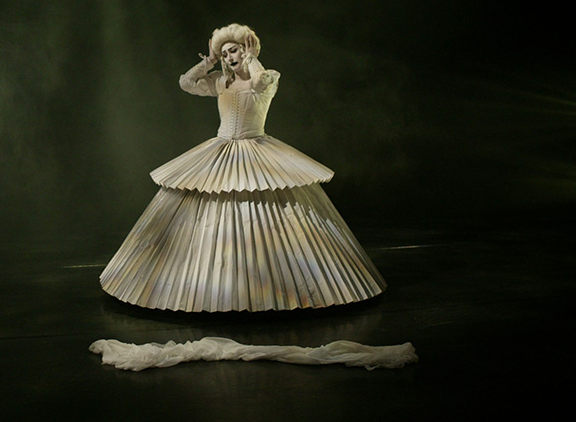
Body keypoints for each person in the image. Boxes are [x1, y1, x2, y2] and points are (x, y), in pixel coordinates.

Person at [100, 23, 386, 312]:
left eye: (233, 50)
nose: (229, 57)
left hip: (255, 148)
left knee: (261, 212)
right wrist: (209, 61)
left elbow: (260, 81)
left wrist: (251, 57)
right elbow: (186, 83)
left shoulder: (264, 79)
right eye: (225, 53)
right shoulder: (220, 82)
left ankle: (267, 286)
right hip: (221, 149)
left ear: (246, 49)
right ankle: (214, 288)